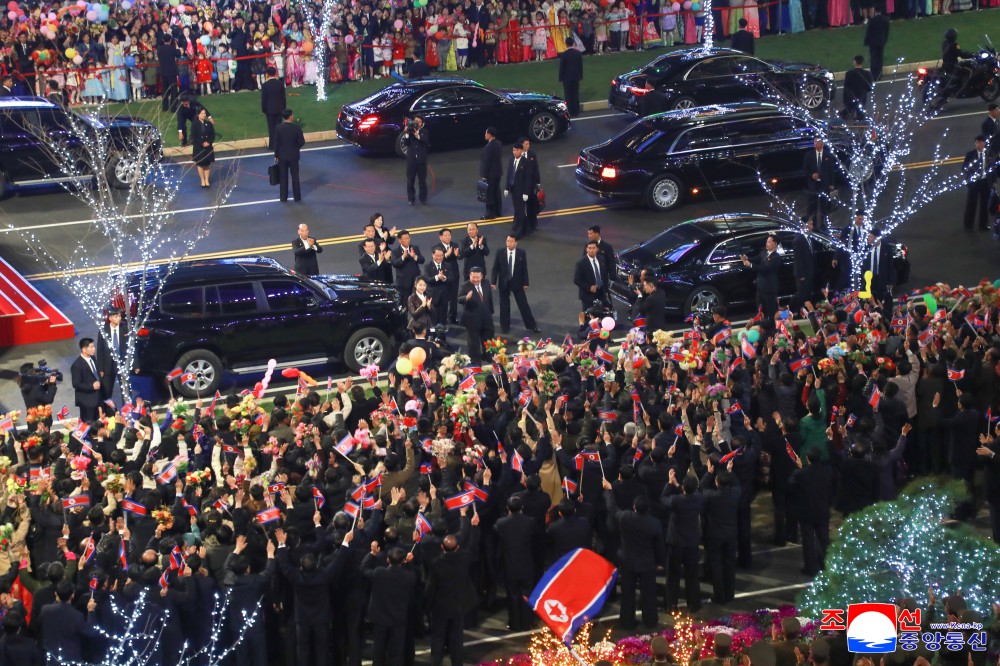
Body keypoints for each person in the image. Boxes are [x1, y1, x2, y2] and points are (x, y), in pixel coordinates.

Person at [361, 546, 417, 666]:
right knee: (396, 654)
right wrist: (409, 563)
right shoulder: (408, 577)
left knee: (378, 652)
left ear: (387, 560)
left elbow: (364, 568)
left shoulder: (379, 573)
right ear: (403, 561)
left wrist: (372, 553)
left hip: (380, 619)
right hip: (398, 619)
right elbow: (413, 575)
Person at [788, 448, 834, 576]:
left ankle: (810, 567)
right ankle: (825, 564)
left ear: (807, 458)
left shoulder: (801, 473)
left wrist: (798, 468)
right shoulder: (828, 471)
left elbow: (791, 485)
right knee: (824, 539)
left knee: (808, 540)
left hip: (806, 510)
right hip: (823, 509)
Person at [491, 234, 539, 334]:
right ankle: (505, 327)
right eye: (507, 241)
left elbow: (524, 268)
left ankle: (531, 325)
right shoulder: (500, 252)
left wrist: (526, 282)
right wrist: (493, 282)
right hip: (504, 283)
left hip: (517, 283)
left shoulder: (521, 253)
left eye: (511, 241)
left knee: (523, 305)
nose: (508, 243)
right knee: (504, 306)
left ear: (516, 242)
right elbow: (495, 268)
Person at [459, 266, 495, 363]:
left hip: (486, 317)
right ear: (469, 276)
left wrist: (491, 312)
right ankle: (475, 360)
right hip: (472, 319)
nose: (475, 279)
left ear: (482, 276)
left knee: (488, 338)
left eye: (477, 277)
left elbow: (489, 298)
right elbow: (459, 299)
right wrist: (466, 298)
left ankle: (488, 356)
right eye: (473, 277)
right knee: (473, 342)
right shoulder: (465, 286)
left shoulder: (486, 283)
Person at [740, 235, 781, 319]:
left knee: (771, 313)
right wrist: (747, 258)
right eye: (766, 242)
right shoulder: (764, 252)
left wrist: (750, 265)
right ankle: (763, 325)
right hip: (760, 288)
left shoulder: (776, 257)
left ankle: (773, 326)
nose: (767, 244)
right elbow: (756, 259)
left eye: (769, 242)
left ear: (775, 244)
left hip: (769, 289)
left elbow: (765, 269)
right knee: (761, 312)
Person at [95, 306, 127, 409]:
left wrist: (135, 365)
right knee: (106, 391)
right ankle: (107, 412)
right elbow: (100, 350)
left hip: (122, 365)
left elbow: (131, 347)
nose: (119, 318)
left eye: (120, 316)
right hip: (108, 366)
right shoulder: (103, 331)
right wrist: (100, 368)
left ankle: (127, 410)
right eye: (116, 316)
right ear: (110, 318)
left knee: (126, 391)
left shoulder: (125, 329)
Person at [802, 138, 837, 231]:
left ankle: (823, 225)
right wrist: (811, 175)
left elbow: (831, 170)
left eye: (817, 142)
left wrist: (831, 184)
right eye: (814, 142)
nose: (815, 143)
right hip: (812, 186)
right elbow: (805, 170)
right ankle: (811, 225)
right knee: (811, 207)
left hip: (824, 185)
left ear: (822, 143)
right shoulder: (809, 155)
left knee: (824, 206)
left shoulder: (828, 155)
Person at [962, 135, 993, 231]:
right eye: (976, 142)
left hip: (985, 182)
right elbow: (964, 168)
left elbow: (993, 168)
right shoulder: (970, 154)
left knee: (985, 204)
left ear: (984, 143)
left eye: (979, 142)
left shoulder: (989, 154)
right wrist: (971, 171)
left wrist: (993, 182)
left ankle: (983, 224)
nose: (977, 144)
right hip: (974, 183)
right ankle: (968, 225)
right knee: (971, 204)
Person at [274, 109, 305, 203]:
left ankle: (283, 197)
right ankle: (297, 197)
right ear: (290, 116)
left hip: (282, 156)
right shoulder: (296, 128)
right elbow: (302, 141)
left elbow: (276, 143)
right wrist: (296, 148)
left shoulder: (278, 128)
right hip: (293, 156)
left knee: (283, 177)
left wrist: (276, 155)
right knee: (295, 176)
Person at [431, 228, 461, 324]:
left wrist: (457, 255)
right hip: (442, 275)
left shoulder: (455, 245)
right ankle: (442, 318)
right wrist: (446, 255)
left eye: (449, 235)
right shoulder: (436, 247)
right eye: (446, 235)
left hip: (454, 274)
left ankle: (452, 317)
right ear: (440, 237)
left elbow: (459, 256)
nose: (448, 237)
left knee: (454, 297)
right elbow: (437, 260)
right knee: (444, 297)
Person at [70, 337, 102, 422]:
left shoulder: (93, 358)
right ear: (84, 349)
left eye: (94, 346)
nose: (94, 349)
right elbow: (76, 384)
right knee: (89, 425)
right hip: (87, 402)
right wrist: (92, 386)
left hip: (97, 398)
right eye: (91, 347)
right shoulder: (77, 365)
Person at [574, 240, 609, 317]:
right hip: (588, 295)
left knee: (601, 315)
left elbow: (604, 275)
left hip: (600, 292)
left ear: (597, 249)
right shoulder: (581, 263)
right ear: (586, 249)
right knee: (588, 316)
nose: (591, 250)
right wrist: (589, 287)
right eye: (589, 248)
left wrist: (605, 289)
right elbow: (576, 280)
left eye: (593, 248)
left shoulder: (601, 259)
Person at [505, 143, 532, 239]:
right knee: (517, 210)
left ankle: (517, 232)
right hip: (514, 190)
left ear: (521, 151)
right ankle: (526, 229)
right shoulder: (511, 160)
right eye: (513, 150)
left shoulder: (526, 162)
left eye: (516, 150)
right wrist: (507, 188)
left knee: (519, 212)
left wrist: (526, 192)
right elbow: (509, 175)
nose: (514, 152)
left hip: (521, 191)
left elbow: (528, 179)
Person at [423, 247, 453, 329]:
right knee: (433, 320)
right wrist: (437, 277)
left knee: (443, 320)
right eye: (437, 255)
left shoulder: (447, 265)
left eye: (441, 255)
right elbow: (427, 279)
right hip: (433, 297)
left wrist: (444, 278)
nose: (439, 257)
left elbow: (452, 278)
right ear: (432, 255)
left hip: (444, 296)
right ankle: (433, 335)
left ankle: (442, 335)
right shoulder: (427, 266)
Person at [391, 229, 425, 303]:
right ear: (399, 240)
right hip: (403, 284)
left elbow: (422, 260)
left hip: (415, 282)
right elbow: (395, 264)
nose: (407, 240)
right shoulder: (395, 251)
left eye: (408, 238)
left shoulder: (415, 248)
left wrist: (415, 257)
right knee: (404, 303)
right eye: (405, 239)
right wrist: (403, 257)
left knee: (417, 303)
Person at [791, 218, 816, 312]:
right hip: (803, 273)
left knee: (807, 293)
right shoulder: (798, 240)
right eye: (810, 224)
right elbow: (798, 259)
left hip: (809, 272)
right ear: (804, 225)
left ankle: (806, 311)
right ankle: (793, 309)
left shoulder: (809, 238)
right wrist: (800, 274)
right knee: (801, 294)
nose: (812, 226)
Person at [403, 114, 429, 205]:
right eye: (415, 121)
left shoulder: (425, 131)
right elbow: (406, 143)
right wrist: (406, 134)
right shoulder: (410, 131)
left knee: (422, 181)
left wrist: (418, 136)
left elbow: (426, 141)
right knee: (410, 181)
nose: (416, 123)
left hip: (421, 161)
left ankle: (423, 199)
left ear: (422, 123)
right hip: (411, 161)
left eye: (419, 121)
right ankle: (411, 199)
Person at [480, 127, 504, 219]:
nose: (485, 135)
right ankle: (498, 211)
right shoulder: (498, 143)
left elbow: (486, 163)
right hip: (498, 172)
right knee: (496, 192)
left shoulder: (488, 147)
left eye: (486, 133)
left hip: (490, 174)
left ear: (489, 134)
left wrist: (484, 175)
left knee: (489, 194)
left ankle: (490, 213)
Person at [260, 66, 286, 149]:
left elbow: (264, 99)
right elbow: (283, 97)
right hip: (279, 108)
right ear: (275, 73)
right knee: (279, 127)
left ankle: (272, 145)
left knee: (271, 128)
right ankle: (280, 144)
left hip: (269, 110)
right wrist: (284, 109)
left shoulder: (265, 85)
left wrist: (263, 110)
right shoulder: (280, 84)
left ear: (267, 74)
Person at [520, 138, 542, 235]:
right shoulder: (518, 155)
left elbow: (536, 168)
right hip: (521, 185)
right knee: (521, 207)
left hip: (531, 185)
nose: (528, 146)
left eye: (528, 144)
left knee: (531, 206)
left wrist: (538, 182)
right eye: (526, 144)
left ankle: (533, 223)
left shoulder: (532, 154)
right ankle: (523, 225)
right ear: (522, 145)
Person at [842, 55, 874, 121]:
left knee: (846, 114)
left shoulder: (849, 73)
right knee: (861, 116)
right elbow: (870, 87)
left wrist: (844, 100)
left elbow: (846, 87)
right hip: (862, 97)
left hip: (850, 98)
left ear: (855, 62)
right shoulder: (867, 74)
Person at [557, 36, 583, 116]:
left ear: (566, 44)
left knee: (568, 94)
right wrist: (580, 76)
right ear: (573, 43)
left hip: (566, 78)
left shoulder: (564, 54)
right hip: (575, 77)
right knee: (575, 94)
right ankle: (576, 111)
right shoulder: (578, 53)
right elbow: (580, 66)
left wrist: (560, 78)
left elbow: (562, 67)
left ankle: (570, 111)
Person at [863, 5, 889, 81]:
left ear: (875, 10)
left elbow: (869, 32)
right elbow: (886, 32)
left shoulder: (872, 20)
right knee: (880, 58)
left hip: (873, 42)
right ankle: (879, 74)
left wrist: (866, 41)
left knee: (873, 58)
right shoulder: (885, 19)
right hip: (881, 41)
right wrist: (885, 40)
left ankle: (874, 74)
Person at [191, 107, 215, 188]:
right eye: (202, 113)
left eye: (204, 113)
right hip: (199, 147)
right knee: (200, 164)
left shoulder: (209, 124)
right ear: (198, 114)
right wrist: (202, 143)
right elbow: (193, 136)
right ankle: (202, 180)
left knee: (207, 164)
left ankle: (207, 180)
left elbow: (212, 135)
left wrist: (208, 142)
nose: (204, 115)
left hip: (208, 147)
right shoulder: (194, 124)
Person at [157, 36, 181, 111]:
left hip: (163, 71)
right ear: (170, 40)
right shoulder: (172, 48)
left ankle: (165, 107)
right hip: (171, 72)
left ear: (163, 40)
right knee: (173, 90)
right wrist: (177, 46)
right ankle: (173, 107)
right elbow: (179, 54)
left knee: (164, 90)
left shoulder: (160, 49)